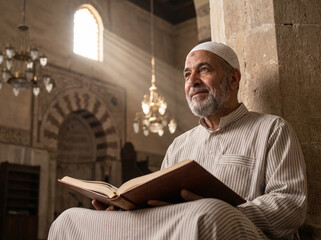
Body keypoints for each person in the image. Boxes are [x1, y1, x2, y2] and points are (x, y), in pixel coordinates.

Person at [48, 42, 307, 240]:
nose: (192, 81)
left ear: (233, 78)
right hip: (177, 226)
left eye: (203, 70)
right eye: (186, 75)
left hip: (227, 226)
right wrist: (125, 208)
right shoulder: (179, 145)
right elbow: (159, 206)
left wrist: (225, 209)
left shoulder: (272, 128)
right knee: (68, 221)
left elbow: (290, 205)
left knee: (208, 214)